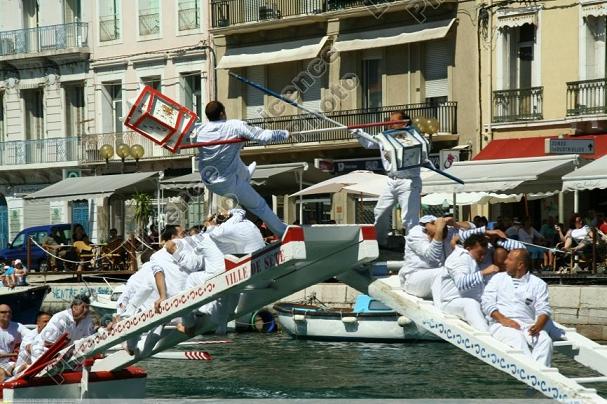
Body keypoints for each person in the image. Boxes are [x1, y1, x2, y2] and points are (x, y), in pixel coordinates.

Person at [192, 101, 289, 236]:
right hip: (229, 184)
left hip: (209, 181)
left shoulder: (199, 130)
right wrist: (284, 134)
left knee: (232, 158)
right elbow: (262, 137)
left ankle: (245, 174)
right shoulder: (234, 126)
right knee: (259, 205)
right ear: (222, 113)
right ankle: (284, 232)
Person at [353, 111, 430, 245]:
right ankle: (380, 243)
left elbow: (422, 155)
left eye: (393, 122)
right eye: (389, 121)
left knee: (408, 219)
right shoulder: (384, 137)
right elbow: (370, 143)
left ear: (403, 122)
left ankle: (414, 247)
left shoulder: (415, 137)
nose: (389, 124)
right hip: (391, 180)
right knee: (380, 212)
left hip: (408, 181)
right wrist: (358, 133)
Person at [481, 249, 553, 367]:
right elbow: (486, 303)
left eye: (509, 259)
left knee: (545, 341)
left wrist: (539, 325)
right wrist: (504, 320)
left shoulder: (538, 284)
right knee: (517, 339)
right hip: (500, 325)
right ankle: (534, 374)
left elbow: (544, 308)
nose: (505, 262)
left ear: (520, 265)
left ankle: (538, 376)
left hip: (527, 325)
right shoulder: (497, 279)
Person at [434, 234, 500, 331]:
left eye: (484, 254)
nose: (482, 258)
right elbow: (461, 283)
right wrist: (484, 272)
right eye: (480, 253)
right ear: (468, 248)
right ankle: (485, 336)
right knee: (470, 304)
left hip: (471, 301)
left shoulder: (470, 258)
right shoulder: (461, 258)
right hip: (452, 302)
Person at [31, 295, 95, 363]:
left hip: (65, 355)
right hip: (42, 352)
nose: (86, 310)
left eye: (87, 307)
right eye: (83, 307)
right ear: (74, 307)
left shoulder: (87, 319)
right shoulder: (61, 318)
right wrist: (64, 354)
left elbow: (88, 339)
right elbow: (47, 343)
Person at [0, 305, 28, 379]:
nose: (7, 314)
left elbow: (30, 335)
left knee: (26, 368)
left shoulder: (17, 326)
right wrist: (15, 354)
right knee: (1, 373)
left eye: (10, 312)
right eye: (3, 312)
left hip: (6, 363)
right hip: (3, 365)